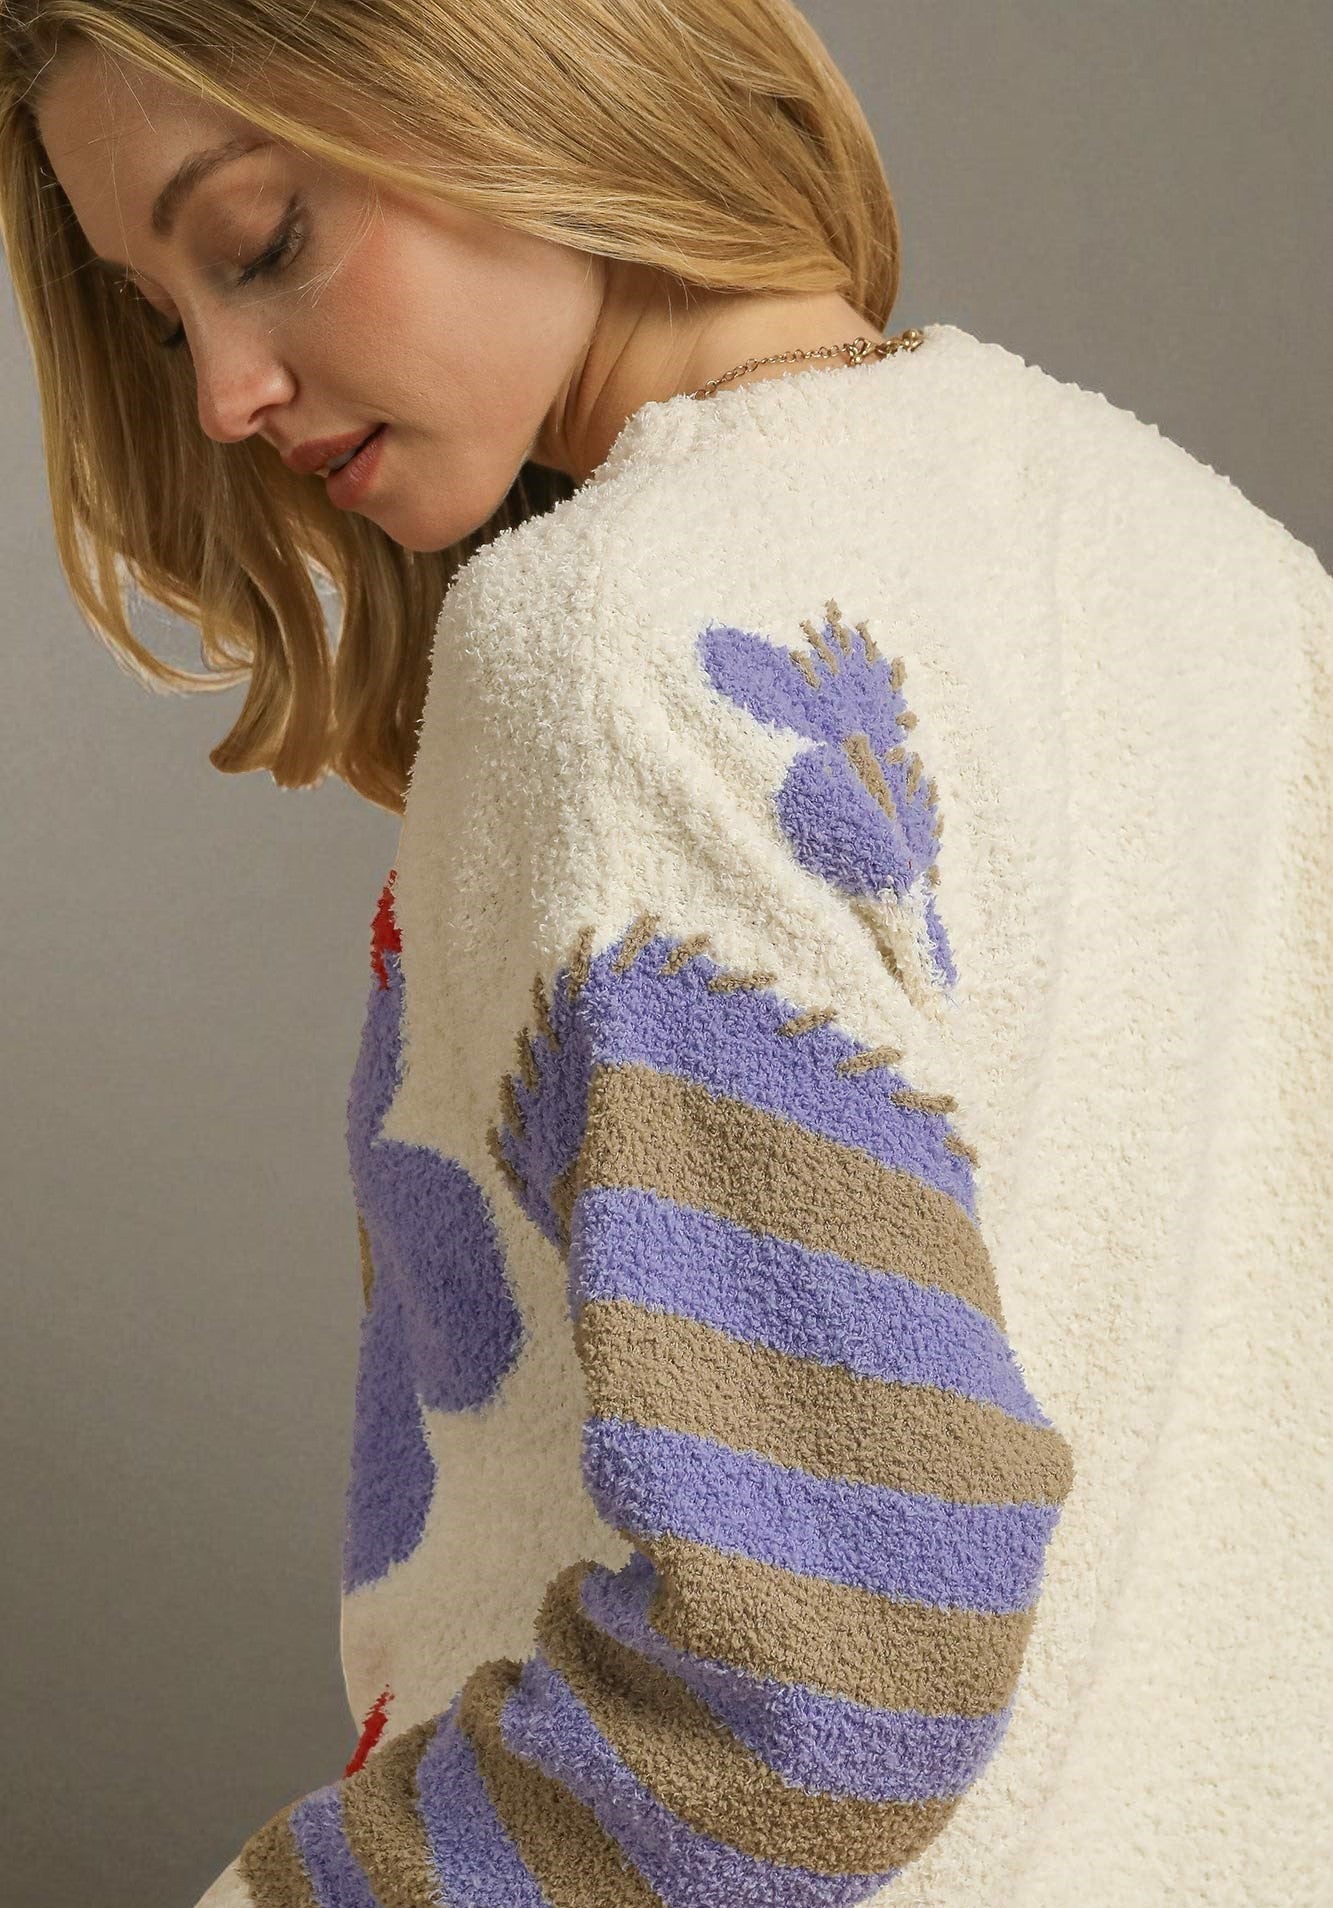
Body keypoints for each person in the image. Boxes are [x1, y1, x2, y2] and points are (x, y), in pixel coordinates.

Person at [4, 4, 1327, 1905]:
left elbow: (826, 1678)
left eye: (259, 239)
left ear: (508, 63)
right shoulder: (1229, 578)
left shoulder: (621, 642)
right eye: (162, 313)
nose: (219, 390)